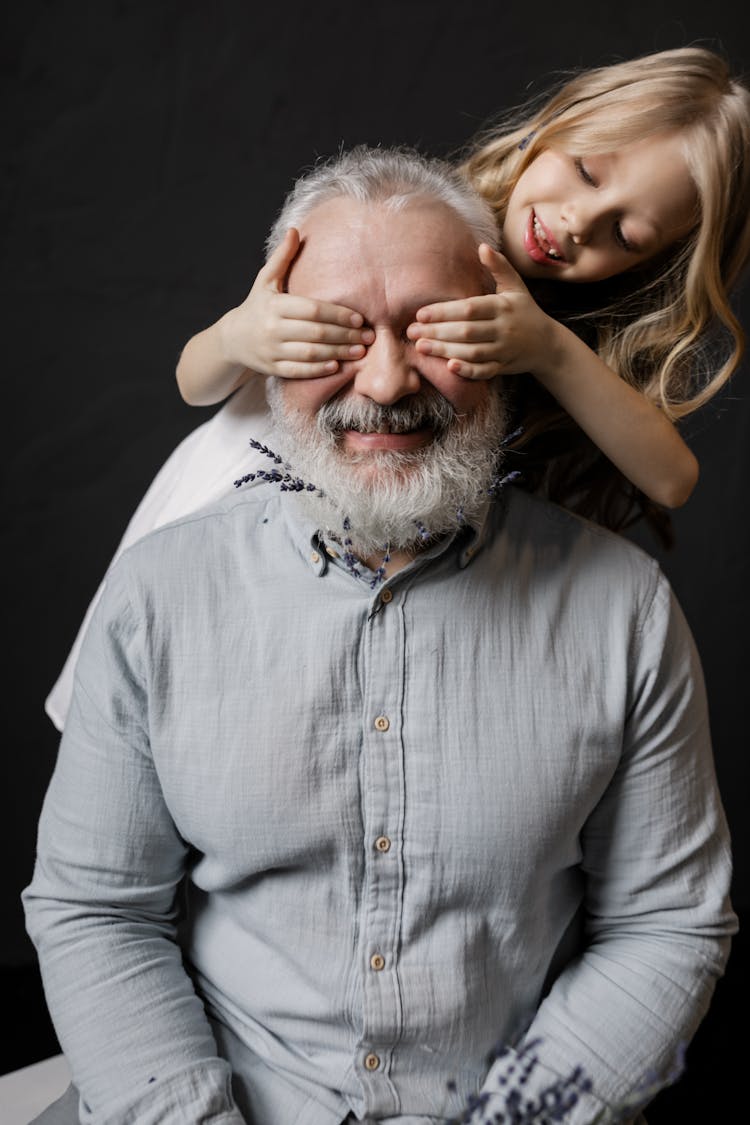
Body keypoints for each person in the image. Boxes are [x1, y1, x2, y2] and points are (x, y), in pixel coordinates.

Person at [24, 145, 736, 1124]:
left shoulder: (626, 611)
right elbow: (96, 910)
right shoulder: (156, 594)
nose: (391, 382)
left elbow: (668, 924)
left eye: (435, 329)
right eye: (340, 333)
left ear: (505, 343)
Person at [43, 44, 750, 734]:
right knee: (139, 712)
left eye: (624, 233)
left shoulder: (574, 339)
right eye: (587, 172)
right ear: (557, 124)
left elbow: (672, 478)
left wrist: (549, 348)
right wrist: (237, 336)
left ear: (658, 263)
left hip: (381, 548)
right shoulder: (413, 217)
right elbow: (192, 382)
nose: (574, 223)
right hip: (239, 490)